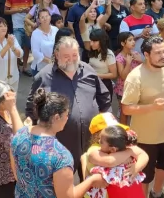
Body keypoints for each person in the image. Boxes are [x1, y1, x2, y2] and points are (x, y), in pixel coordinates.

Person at [26, 36, 111, 180]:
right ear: (56, 54)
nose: (71, 59)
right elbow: (31, 109)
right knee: (61, 187)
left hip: (91, 142)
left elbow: (104, 98)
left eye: (74, 55)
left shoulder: (88, 71)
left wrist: (107, 125)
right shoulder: (44, 77)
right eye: (66, 56)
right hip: (60, 145)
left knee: (91, 183)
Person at [13, 89, 108, 197]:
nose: (68, 118)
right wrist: (91, 180)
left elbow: (16, 175)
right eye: (67, 115)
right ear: (56, 117)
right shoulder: (60, 156)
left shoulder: (20, 134)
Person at [121, 36, 164, 197]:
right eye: (158, 53)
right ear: (146, 55)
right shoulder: (136, 77)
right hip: (144, 138)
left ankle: (157, 193)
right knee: (144, 175)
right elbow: (126, 108)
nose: (163, 56)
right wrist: (152, 107)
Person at [87, 29, 117, 98]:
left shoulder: (109, 55)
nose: (91, 44)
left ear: (102, 41)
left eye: (94, 41)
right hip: (92, 83)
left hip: (104, 85)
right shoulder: (93, 51)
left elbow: (114, 74)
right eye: (91, 40)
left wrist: (96, 75)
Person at [30, 9, 59, 75]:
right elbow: (35, 52)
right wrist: (50, 61)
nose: (45, 19)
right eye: (42, 17)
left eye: (47, 16)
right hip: (40, 68)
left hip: (55, 66)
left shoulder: (55, 29)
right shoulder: (35, 33)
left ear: (50, 17)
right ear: (39, 20)